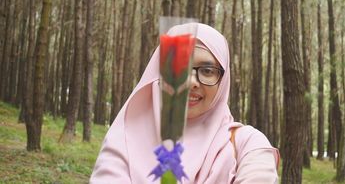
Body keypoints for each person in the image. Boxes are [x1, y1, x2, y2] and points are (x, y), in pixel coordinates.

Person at [90, 23, 279, 183]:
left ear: (223, 80)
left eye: (207, 70)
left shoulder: (247, 144)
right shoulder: (123, 139)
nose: (190, 82)